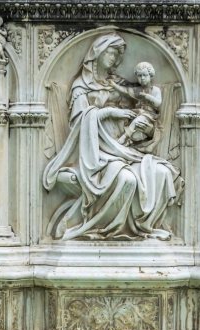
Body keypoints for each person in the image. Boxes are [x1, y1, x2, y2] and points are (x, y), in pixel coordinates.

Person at [43, 33, 182, 241]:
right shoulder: (81, 87)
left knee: (161, 172)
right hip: (96, 153)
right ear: (97, 53)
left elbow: (141, 116)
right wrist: (109, 112)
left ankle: (143, 228)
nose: (115, 57)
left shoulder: (119, 83)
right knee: (126, 179)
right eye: (111, 51)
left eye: (117, 53)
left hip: (126, 150)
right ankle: (105, 230)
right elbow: (79, 125)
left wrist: (145, 130)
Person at [112, 61, 161, 148]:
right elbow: (125, 91)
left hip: (149, 115)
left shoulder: (155, 90)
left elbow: (158, 103)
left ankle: (125, 137)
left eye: (145, 75)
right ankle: (128, 141)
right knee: (125, 117)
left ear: (150, 75)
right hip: (138, 112)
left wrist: (147, 97)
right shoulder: (137, 90)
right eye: (139, 75)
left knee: (139, 120)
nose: (142, 78)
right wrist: (114, 85)